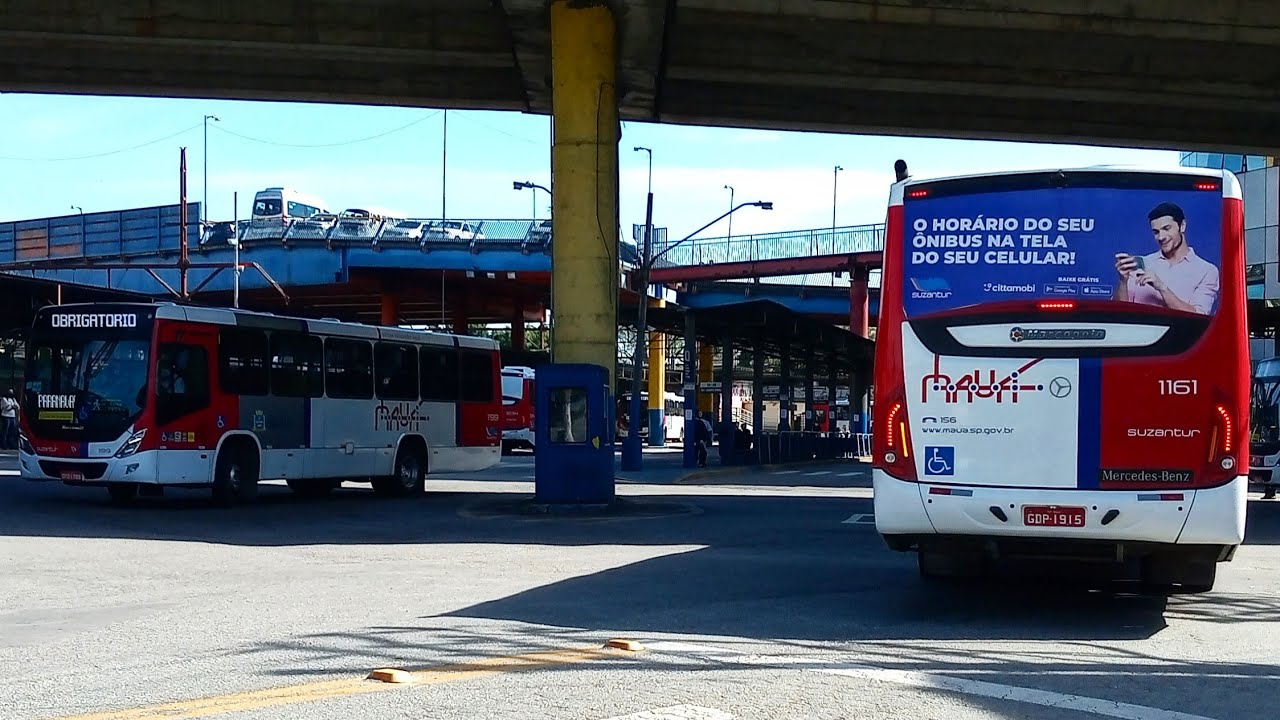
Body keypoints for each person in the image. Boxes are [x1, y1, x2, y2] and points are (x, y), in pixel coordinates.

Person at [1113, 201, 1220, 315]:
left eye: (1166, 228)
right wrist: (1123, 282)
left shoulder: (1207, 271)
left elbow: (1199, 316)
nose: (1161, 237)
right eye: (1156, 232)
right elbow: (1119, 313)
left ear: (1182, 226)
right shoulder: (1142, 264)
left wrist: (1162, 288)